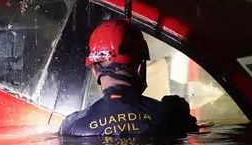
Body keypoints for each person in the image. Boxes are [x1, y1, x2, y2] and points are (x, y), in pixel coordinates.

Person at [59, 19, 198, 137]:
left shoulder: (72, 127)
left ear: (95, 70)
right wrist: (181, 113)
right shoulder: (171, 117)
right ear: (140, 68)